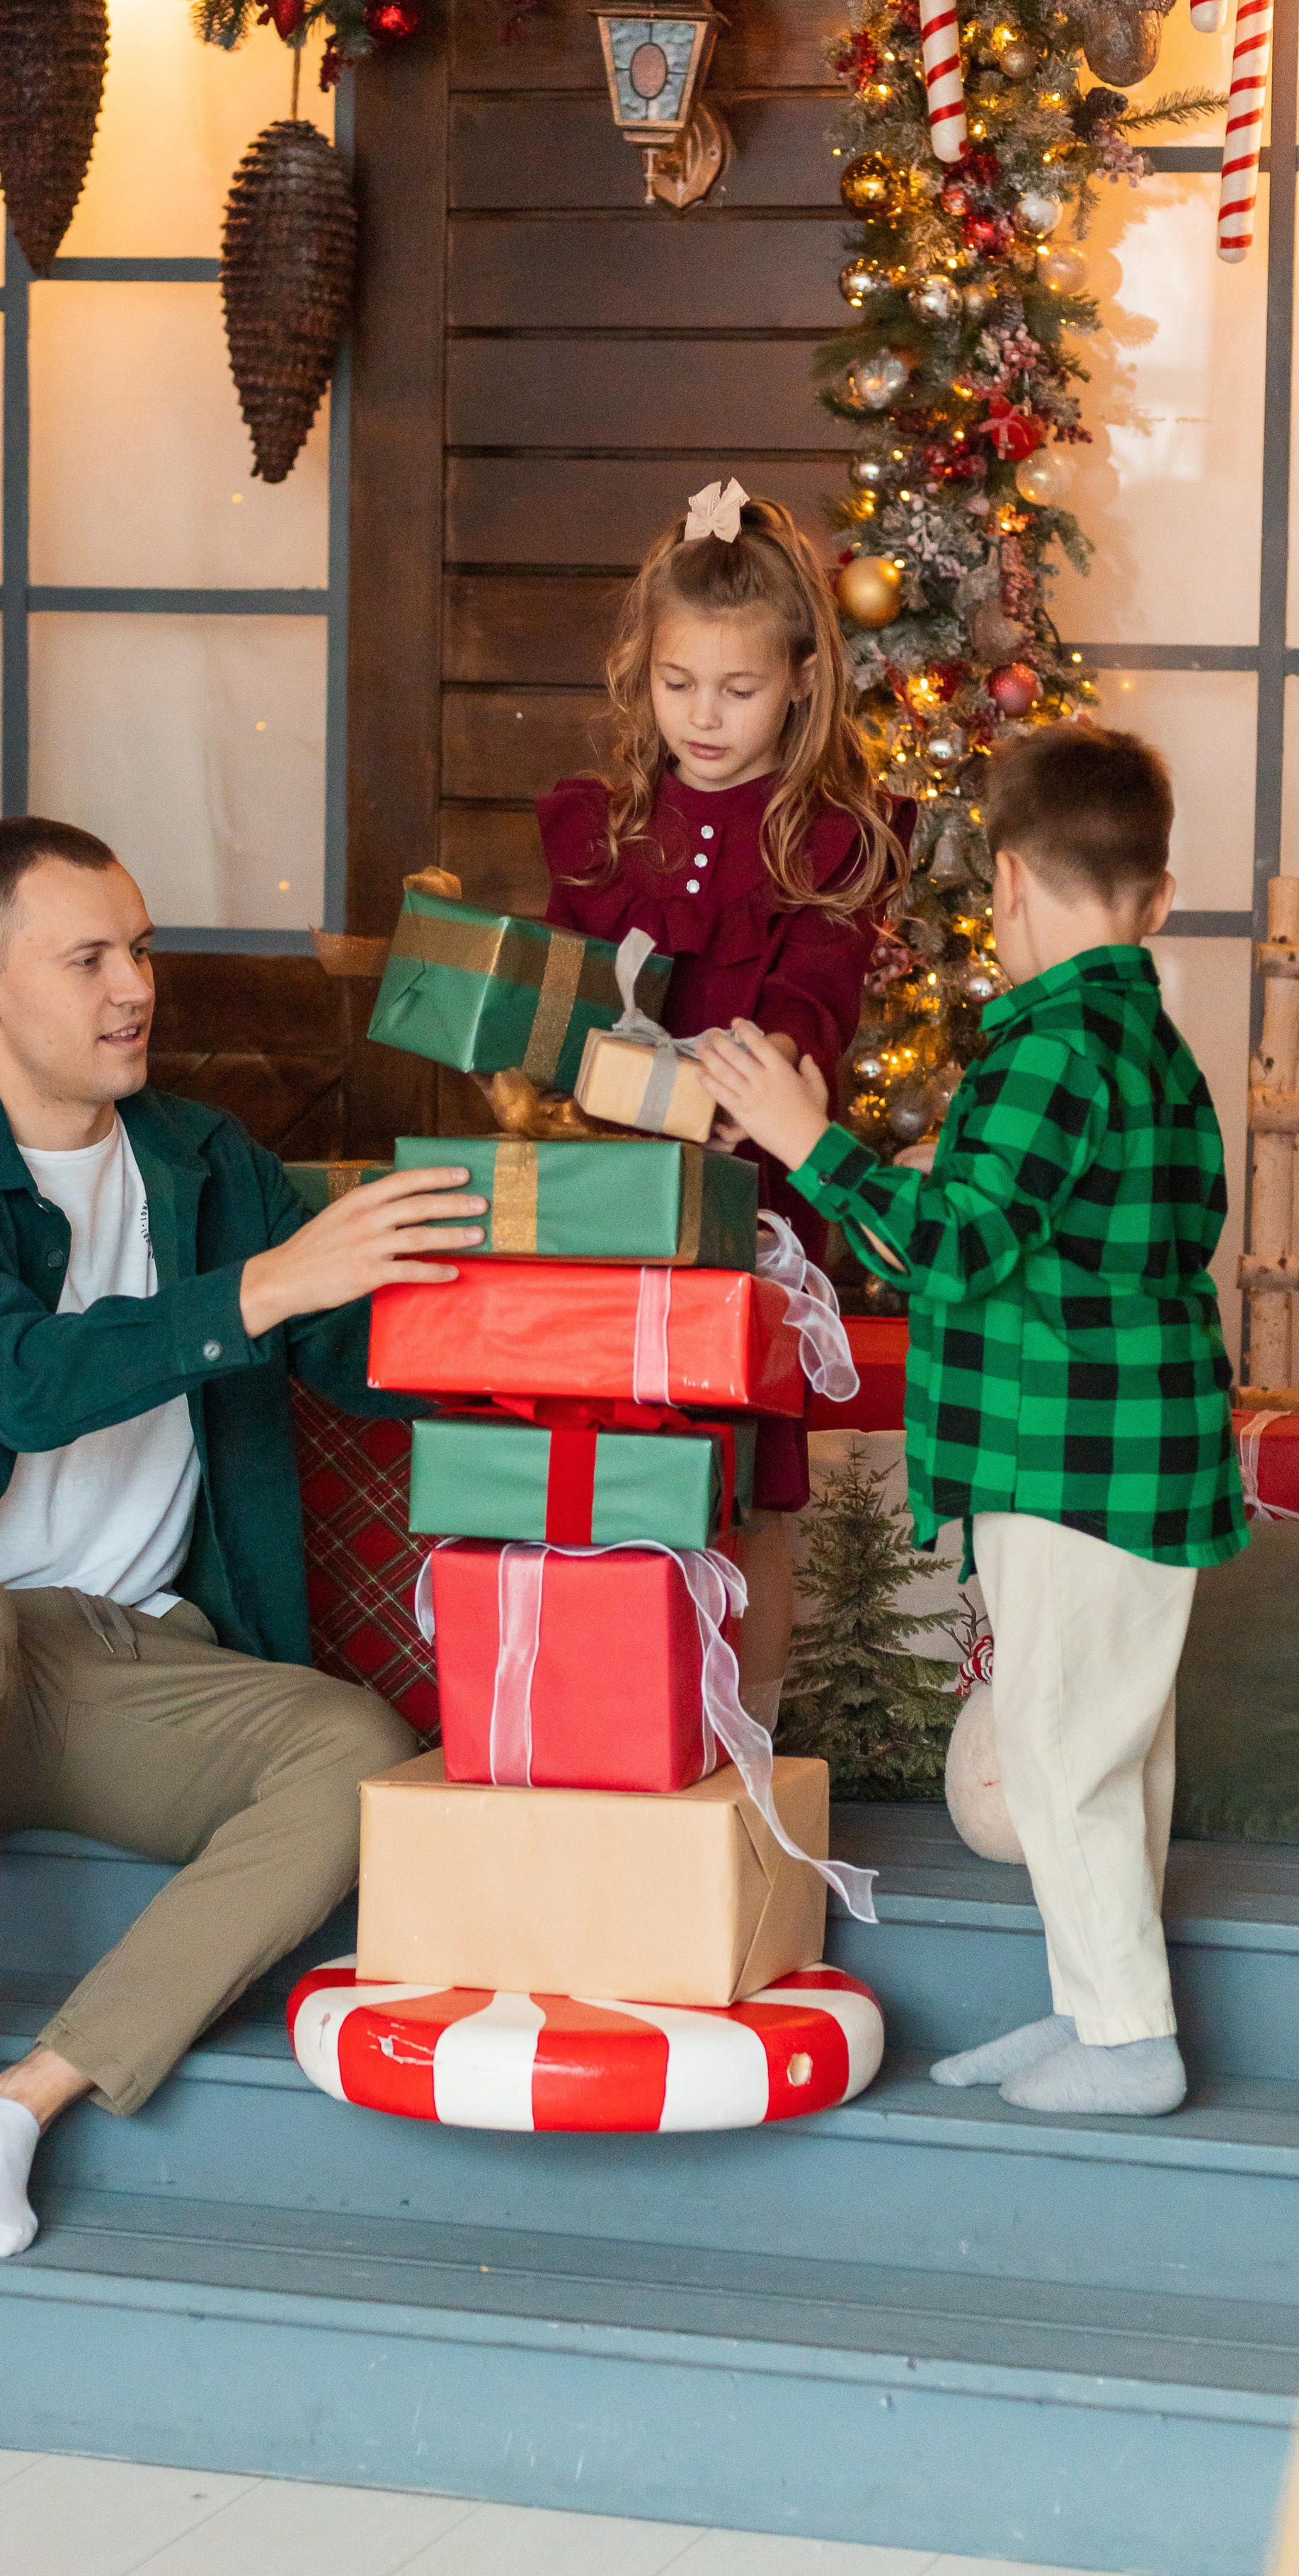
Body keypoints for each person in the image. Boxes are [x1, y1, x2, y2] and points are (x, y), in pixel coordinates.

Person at [0, 817, 485, 2279]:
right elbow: (26, 1378)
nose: (131, 986)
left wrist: (542, 1292)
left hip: (140, 1671)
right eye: (85, 958)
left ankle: (28, 2102)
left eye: (136, 949)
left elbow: (350, 1357)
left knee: (358, 1755)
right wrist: (259, 1289)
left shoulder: (208, 1162)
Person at [692, 722, 1248, 2119]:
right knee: (1106, 1748)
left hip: (1068, 1462)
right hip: (1132, 1456)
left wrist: (805, 1134)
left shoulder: (1051, 1050)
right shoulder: (1150, 1052)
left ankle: (1127, 2042)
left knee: (1064, 1750)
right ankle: (1092, 2009)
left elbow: (946, 1246)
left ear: (1000, 883)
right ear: (1158, 898)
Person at [537, 478, 909, 1706]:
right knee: (621, 1458)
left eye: (739, 690)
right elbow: (565, 1001)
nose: (703, 716)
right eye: (676, 684)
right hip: (617, 1193)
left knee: (756, 1478)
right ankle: (619, 1711)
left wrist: (780, 1064)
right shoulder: (605, 830)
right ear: (641, 672)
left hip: (753, 1200)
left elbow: (820, 993)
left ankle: (741, 1740)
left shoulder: (828, 838)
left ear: (802, 677)